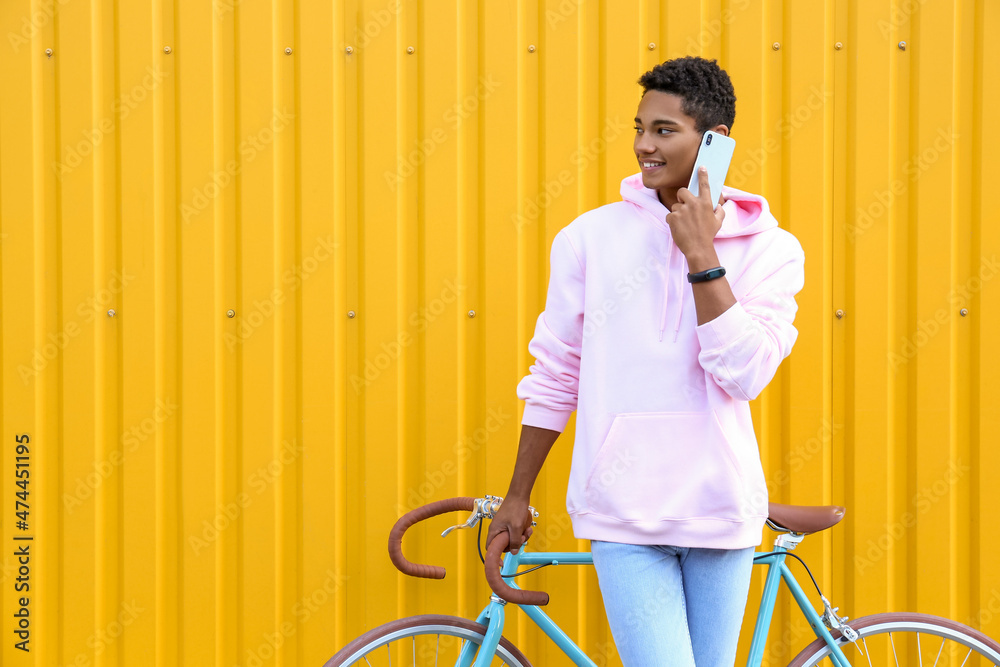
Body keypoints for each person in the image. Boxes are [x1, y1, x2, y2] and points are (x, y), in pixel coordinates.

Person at [485, 56, 806, 666]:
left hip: (721, 511)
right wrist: (516, 495)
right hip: (624, 511)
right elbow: (557, 372)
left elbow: (746, 373)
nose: (642, 146)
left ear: (715, 144)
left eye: (664, 131)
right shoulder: (589, 239)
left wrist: (701, 255)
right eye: (639, 128)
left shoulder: (772, 250)